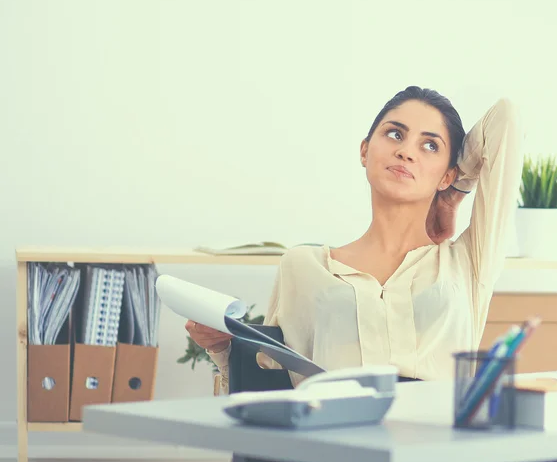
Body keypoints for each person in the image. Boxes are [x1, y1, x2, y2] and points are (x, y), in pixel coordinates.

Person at [186, 86, 524, 395]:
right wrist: (221, 347)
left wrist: (454, 193)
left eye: (430, 145)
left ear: (447, 173)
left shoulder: (468, 261)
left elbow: (504, 118)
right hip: (334, 439)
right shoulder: (304, 266)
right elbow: (272, 376)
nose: (406, 152)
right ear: (365, 151)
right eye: (395, 134)